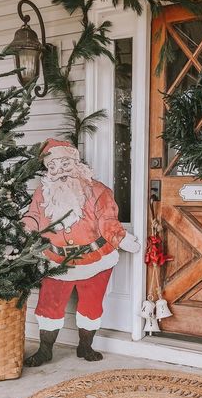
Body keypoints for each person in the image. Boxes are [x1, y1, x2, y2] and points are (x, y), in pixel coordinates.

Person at [23, 138, 140, 365]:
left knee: (91, 305)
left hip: (95, 259)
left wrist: (121, 238)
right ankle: (45, 350)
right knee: (49, 307)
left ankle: (85, 346)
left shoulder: (98, 191)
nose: (60, 172)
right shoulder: (43, 192)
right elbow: (34, 217)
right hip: (56, 260)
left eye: (65, 164)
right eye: (53, 166)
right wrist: (25, 227)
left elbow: (108, 222)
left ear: (76, 163)